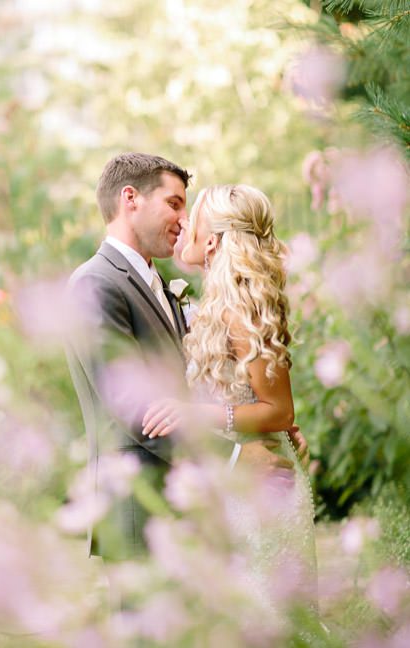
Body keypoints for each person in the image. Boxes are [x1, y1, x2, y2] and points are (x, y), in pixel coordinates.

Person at [66, 153, 298, 559]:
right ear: (130, 199)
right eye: (174, 203)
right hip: (141, 505)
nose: (183, 219)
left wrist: (263, 425)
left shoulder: (161, 284)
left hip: (193, 503)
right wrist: (237, 455)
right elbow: (131, 406)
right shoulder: (96, 283)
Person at [142, 184, 317, 607]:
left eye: (193, 218)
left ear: (213, 241)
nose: (183, 223)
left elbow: (278, 409)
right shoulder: (214, 305)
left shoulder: (242, 308)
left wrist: (200, 415)